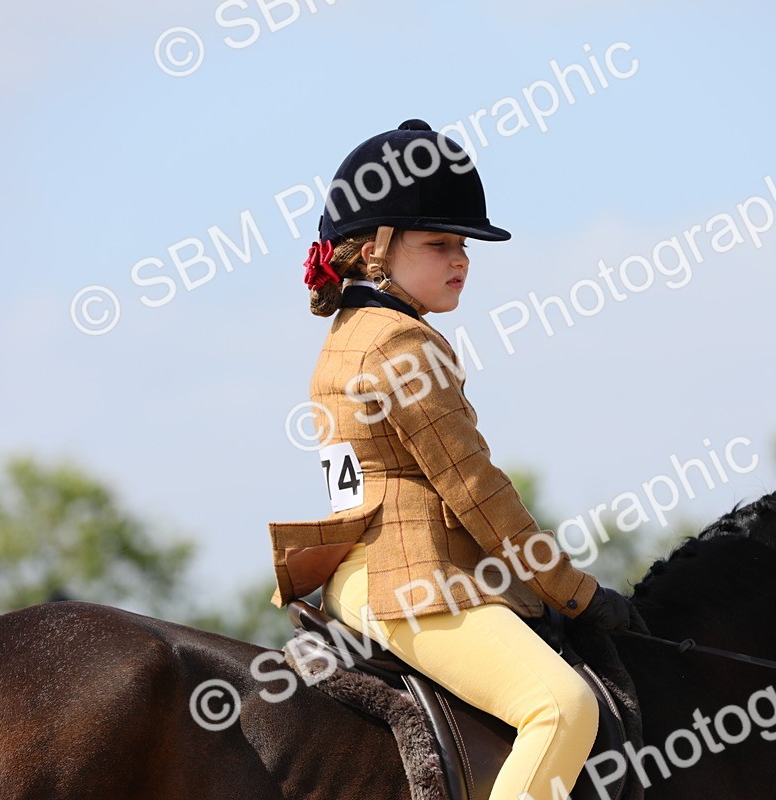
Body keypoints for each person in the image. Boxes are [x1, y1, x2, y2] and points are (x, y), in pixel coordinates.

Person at [267, 119, 647, 800]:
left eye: (464, 245)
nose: (461, 259)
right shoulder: (402, 344)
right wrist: (574, 591)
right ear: (378, 251)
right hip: (410, 577)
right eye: (439, 243)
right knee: (562, 706)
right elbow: (476, 491)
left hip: (357, 570)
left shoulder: (352, 331)